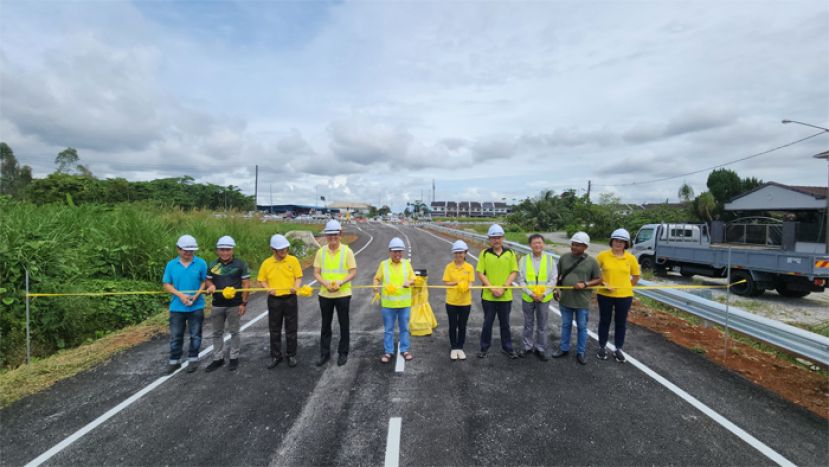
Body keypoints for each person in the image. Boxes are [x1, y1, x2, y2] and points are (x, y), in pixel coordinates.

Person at [551, 232, 602, 365]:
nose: (574, 247)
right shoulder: (564, 258)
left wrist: (585, 284)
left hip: (582, 301)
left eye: (577, 245)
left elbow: (598, 279)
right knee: (566, 325)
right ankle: (563, 348)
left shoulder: (592, 262)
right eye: (573, 244)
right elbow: (557, 275)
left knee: (582, 327)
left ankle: (581, 352)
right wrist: (555, 289)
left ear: (585, 246)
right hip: (565, 300)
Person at [313, 220, 357, 367]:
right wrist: (326, 284)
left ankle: (343, 353)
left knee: (344, 324)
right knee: (326, 325)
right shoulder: (321, 252)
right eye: (329, 234)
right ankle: (324, 354)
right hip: (325, 294)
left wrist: (340, 283)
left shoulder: (347, 251)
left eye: (335, 234)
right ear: (326, 235)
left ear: (340, 234)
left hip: (343, 294)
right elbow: (317, 273)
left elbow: (353, 272)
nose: (332, 237)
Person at [162, 234, 208, 374]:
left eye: (191, 251)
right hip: (177, 307)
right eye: (185, 251)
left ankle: (193, 359)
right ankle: (174, 361)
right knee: (176, 335)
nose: (188, 254)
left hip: (196, 305)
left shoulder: (201, 263)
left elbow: (204, 281)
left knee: (195, 334)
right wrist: (181, 295)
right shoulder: (171, 265)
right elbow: (166, 284)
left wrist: (197, 294)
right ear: (178, 249)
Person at [204, 236, 250, 372]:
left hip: (234, 304)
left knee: (234, 331)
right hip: (217, 304)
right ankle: (218, 359)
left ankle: (234, 358)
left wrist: (244, 303)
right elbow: (207, 281)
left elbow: (246, 284)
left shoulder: (240, 264)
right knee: (217, 332)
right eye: (222, 250)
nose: (225, 252)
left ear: (232, 250)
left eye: (228, 250)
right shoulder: (212, 265)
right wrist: (210, 285)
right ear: (218, 250)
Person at [257, 234, 303, 369]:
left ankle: (291, 354)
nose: (284, 251)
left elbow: (298, 277)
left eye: (285, 249)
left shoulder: (293, 260)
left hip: (290, 298)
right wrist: (268, 288)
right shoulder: (267, 263)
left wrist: (296, 287)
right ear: (273, 249)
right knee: (274, 329)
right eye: (281, 249)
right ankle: (276, 355)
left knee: (291, 328)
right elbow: (261, 279)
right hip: (274, 299)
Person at [595, 228, 641, 363]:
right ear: (612, 241)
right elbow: (594, 272)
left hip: (624, 297)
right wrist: (603, 283)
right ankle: (602, 347)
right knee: (604, 321)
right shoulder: (603, 256)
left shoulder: (631, 258)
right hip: (604, 295)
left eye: (622, 241)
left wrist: (627, 287)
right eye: (616, 240)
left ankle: (618, 349)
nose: (618, 243)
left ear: (626, 244)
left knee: (621, 323)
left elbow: (636, 276)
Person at [476, 224, 519, 359]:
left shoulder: (510, 253)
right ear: (489, 239)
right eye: (493, 238)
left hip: (505, 296)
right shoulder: (484, 253)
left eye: (499, 237)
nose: (496, 240)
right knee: (487, 323)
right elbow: (480, 273)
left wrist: (503, 287)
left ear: (503, 238)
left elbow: (514, 272)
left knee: (505, 323)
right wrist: (492, 288)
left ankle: (507, 348)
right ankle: (484, 347)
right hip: (489, 296)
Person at [374, 237, 415, 363]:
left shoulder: (407, 264)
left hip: (404, 304)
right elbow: (377, 278)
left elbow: (413, 278)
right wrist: (376, 289)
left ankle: (404, 350)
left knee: (404, 328)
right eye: (395, 251)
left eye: (400, 251)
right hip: (388, 304)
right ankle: (388, 352)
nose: (398, 254)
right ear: (390, 251)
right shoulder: (383, 264)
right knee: (388, 329)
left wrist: (410, 281)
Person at [517, 234, 557, 361]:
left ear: (543, 244)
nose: (537, 245)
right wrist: (531, 293)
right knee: (528, 323)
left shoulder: (550, 260)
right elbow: (521, 280)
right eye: (534, 243)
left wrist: (543, 294)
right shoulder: (523, 260)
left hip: (544, 298)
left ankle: (541, 348)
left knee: (542, 325)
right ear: (530, 245)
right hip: (528, 297)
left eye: (539, 242)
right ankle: (527, 346)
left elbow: (553, 279)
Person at [442, 240, 475, 361]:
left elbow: (471, 282)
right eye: (456, 253)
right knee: (452, 325)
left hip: (465, 302)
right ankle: (453, 347)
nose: (458, 255)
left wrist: (468, 286)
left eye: (461, 253)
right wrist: (457, 283)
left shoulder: (469, 267)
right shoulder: (449, 267)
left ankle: (460, 347)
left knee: (462, 325)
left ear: (465, 253)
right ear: (453, 254)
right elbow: (446, 282)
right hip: (451, 302)